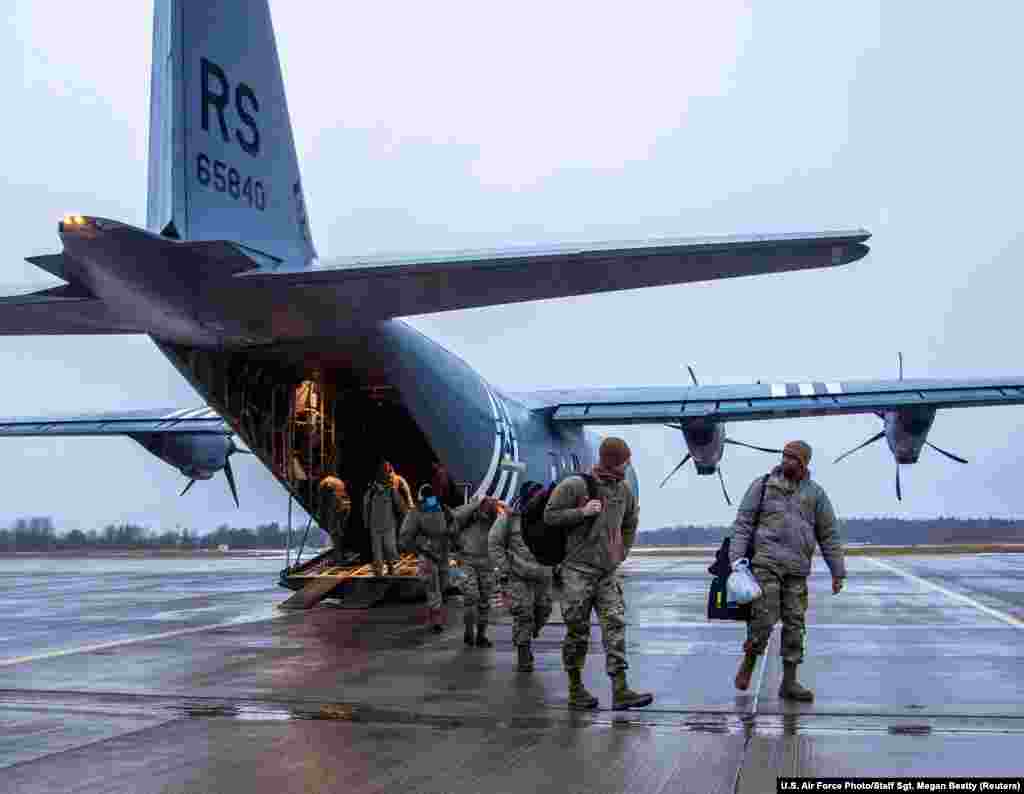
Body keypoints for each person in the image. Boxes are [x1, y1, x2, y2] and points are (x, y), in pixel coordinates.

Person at [729, 440, 847, 702]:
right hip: (766, 564)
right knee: (763, 619)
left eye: (793, 458)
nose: (786, 462)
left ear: (804, 463)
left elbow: (829, 535)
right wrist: (736, 561)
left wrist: (837, 572)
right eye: (784, 456)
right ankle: (749, 662)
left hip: (796, 569)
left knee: (795, 625)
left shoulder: (816, 495)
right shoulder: (762, 486)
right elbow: (743, 524)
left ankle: (790, 682)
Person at [544, 437, 652, 710]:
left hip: (606, 573)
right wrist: (581, 512)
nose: (628, 465)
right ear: (614, 460)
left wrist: (621, 552)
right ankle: (576, 689)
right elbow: (550, 516)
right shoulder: (575, 485)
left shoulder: (624, 491)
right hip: (577, 572)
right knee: (577, 633)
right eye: (625, 460)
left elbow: (630, 522)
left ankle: (620, 690)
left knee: (615, 627)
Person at [489, 481, 554, 672]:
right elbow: (494, 543)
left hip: (543, 574)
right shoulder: (509, 518)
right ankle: (524, 655)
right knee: (523, 614)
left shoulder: (548, 516)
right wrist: (505, 569)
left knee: (544, 611)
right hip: (519, 575)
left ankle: (529, 633)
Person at [399, 484, 454, 633]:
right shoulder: (420, 511)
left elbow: (453, 527)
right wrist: (419, 547)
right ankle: (436, 620)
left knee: (439, 587)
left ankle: (433, 616)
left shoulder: (442, 509)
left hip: (440, 552)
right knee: (434, 587)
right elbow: (406, 535)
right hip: (429, 553)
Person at [452, 495, 503, 648]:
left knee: (484, 602)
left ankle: (481, 635)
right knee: (470, 598)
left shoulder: (496, 520)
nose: (486, 511)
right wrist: (475, 504)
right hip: (467, 562)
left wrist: (494, 506)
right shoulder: (467, 517)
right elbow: (455, 517)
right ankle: (469, 633)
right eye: (485, 507)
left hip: (487, 564)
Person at [362, 461, 406, 576]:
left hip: (389, 525)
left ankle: (391, 568)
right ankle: (379, 572)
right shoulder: (370, 492)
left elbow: (400, 506)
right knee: (377, 551)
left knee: (390, 548)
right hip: (375, 526)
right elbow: (366, 508)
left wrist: (404, 518)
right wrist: (367, 523)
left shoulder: (391, 491)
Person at [318, 472, 351, 562]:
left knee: (335, 533)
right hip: (345, 506)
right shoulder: (338, 482)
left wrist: (321, 518)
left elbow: (322, 503)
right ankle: (341, 555)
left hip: (336, 507)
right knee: (340, 532)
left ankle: (339, 557)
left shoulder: (324, 482)